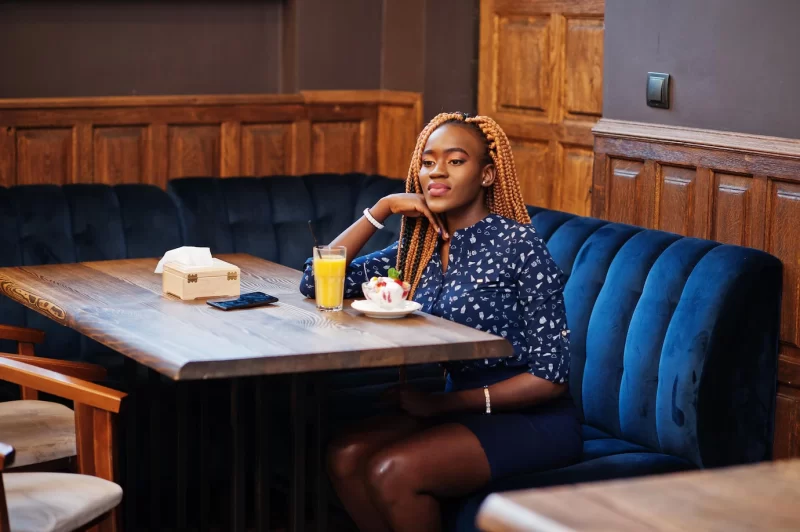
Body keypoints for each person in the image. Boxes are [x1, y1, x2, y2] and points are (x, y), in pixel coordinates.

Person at [299, 112, 581, 532]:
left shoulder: (519, 244)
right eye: (428, 162)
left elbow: (551, 377)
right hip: (454, 406)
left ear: (486, 175)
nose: (437, 173)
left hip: (532, 418)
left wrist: (442, 404)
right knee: (344, 457)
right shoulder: (419, 245)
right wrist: (383, 207)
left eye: (455, 160)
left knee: (393, 471)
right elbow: (316, 279)